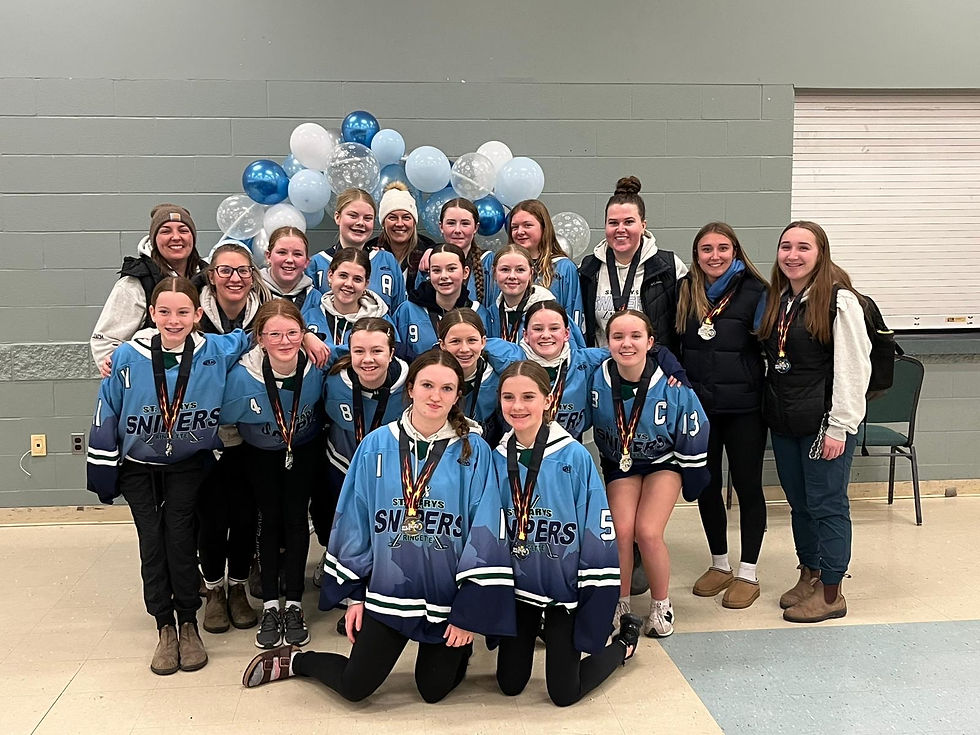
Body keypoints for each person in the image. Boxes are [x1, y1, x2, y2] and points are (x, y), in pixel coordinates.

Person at [241, 349, 515, 703]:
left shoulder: (472, 450)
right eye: (427, 385)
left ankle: (457, 651)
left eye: (447, 389)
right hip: (390, 593)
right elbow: (355, 521)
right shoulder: (376, 445)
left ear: (457, 396)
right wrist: (355, 595)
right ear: (411, 388)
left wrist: (468, 614)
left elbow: (486, 530)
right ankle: (299, 660)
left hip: (446, 597)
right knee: (356, 688)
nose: (436, 396)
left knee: (433, 691)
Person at [87, 277, 251, 675]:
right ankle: (164, 624)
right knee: (152, 542)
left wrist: (312, 339)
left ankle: (189, 623)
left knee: (179, 538)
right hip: (138, 468)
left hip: (187, 463)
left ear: (198, 315)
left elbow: (254, 333)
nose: (173, 320)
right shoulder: (128, 354)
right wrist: (102, 469)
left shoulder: (214, 348)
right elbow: (107, 408)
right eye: (164, 312)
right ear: (151, 314)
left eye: (183, 312)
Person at [493, 361, 640, 707]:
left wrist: (593, 595)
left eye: (528, 396)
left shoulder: (573, 455)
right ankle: (538, 631)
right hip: (519, 586)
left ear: (548, 400)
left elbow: (597, 529)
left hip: (564, 589)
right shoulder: (496, 456)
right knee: (509, 684)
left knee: (563, 693)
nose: (517, 406)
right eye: (508, 397)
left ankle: (623, 645)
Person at [758, 221, 871, 623]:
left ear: (820, 253)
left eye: (803, 247)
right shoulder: (781, 300)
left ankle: (832, 592)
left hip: (824, 425)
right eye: (785, 246)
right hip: (786, 421)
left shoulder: (840, 302)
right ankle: (810, 573)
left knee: (827, 506)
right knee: (800, 505)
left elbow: (854, 369)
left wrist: (840, 425)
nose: (793, 255)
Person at [589, 309, 710, 638]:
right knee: (620, 531)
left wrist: (695, 473)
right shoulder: (596, 375)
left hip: (662, 461)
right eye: (617, 337)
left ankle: (661, 603)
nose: (626, 344)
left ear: (651, 343)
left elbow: (695, 426)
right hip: (621, 461)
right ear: (607, 342)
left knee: (648, 531)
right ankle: (620, 602)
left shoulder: (670, 382)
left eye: (635, 337)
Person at [221, 300, 328, 648]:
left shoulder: (318, 362)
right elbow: (226, 423)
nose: (284, 341)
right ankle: (269, 605)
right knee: (268, 521)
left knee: (296, 521)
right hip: (260, 456)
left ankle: (294, 604)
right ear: (261, 339)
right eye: (275, 334)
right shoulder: (241, 375)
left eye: (293, 333)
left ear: (304, 333)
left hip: (305, 451)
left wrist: (312, 337)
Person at [676, 223, 769, 609]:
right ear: (696, 254)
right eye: (706, 249)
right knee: (706, 486)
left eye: (723, 248)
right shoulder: (686, 290)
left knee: (747, 487)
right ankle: (719, 564)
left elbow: (771, 345)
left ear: (735, 251)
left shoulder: (757, 291)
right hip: (701, 408)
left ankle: (748, 571)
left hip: (746, 408)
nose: (714, 255)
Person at [316, 318, 409, 588]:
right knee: (336, 519)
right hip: (341, 461)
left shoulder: (410, 382)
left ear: (392, 353)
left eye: (377, 351)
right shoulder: (333, 377)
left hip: (390, 469)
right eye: (359, 351)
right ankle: (335, 559)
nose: (368, 359)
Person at [579, 177, 688, 352]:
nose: (620, 229)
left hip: (654, 369)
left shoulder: (669, 265)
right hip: (603, 368)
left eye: (629, 222)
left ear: (643, 225)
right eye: (613, 223)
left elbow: (685, 325)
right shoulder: (589, 268)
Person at [91, 204, 207, 366]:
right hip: (153, 385)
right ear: (154, 239)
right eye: (166, 231)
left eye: (183, 230)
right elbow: (106, 342)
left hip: (201, 382)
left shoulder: (208, 276)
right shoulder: (136, 282)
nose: (176, 237)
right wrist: (128, 379)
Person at [306, 188, 406, 311]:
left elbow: (400, 312)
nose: (360, 223)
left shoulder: (387, 260)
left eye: (368, 218)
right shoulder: (317, 263)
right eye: (353, 216)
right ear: (337, 217)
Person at [393, 243, 489, 360]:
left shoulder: (479, 312)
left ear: (465, 272)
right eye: (436, 270)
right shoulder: (408, 310)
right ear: (429, 273)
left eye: (451, 269)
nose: (444, 276)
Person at [502, 199, 584, 330]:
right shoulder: (504, 269)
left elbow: (574, 315)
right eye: (514, 227)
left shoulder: (563, 268)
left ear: (544, 227)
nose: (520, 231)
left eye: (527, 225)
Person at [302, 247, 390, 350]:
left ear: (366, 284)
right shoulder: (309, 317)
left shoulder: (382, 321)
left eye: (357, 279)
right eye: (343, 276)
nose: (349, 284)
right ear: (330, 276)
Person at [437, 308, 502, 446]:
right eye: (455, 341)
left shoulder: (497, 382)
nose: (465, 349)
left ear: (483, 342)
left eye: (472, 340)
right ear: (442, 344)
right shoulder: (429, 381)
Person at [417, 198, 495, 308]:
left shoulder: (488, 262)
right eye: (451, 223)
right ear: (441, 227)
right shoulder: (429, 261)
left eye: (465, 223)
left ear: (475, 228)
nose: (457, 230)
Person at [365, 181, 435, 286]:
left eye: (406, 217)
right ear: (383, 222)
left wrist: (434, 253)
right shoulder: (369, 252)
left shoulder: (429, 251)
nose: (399, 223)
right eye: (392, 217)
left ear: (414, 222)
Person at [486, 244, 559, 343]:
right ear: (494, 273)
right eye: (505, 270)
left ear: (531, 274)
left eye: (520, 270)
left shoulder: (553, 314)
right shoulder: (490, 315)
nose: (512, 276)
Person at [260, 226, 317, 309]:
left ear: (306, 262)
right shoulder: (251, 294)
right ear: (268, 256)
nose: (289, 260)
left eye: (297, 254)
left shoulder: (316, 300)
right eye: (282, 252)